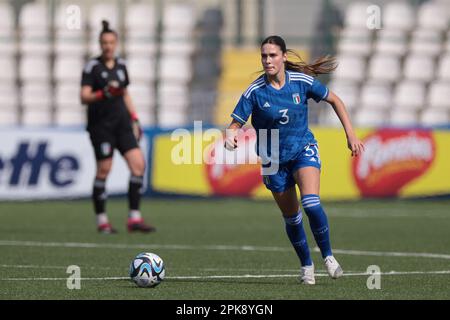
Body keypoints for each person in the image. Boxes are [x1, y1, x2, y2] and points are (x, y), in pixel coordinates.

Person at [225, 35, 364, 284]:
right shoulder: (255, 91)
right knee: (292, 217)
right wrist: (230, 136)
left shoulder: (300, 81)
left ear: (284, 56)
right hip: (272, 160)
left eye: (272, 55)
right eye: (264, 56)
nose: (268, 60)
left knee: (311, 203)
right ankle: (306, 265)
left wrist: (350, 134)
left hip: (302, 148)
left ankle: (329, 256)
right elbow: (234, 124)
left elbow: (335, 100)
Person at [80, 20, 155, 234]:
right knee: (104, 169)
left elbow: (125, 93)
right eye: (104, 42)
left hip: (122, 124)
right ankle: (102, 221)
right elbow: (84, 96)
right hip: (101, 127)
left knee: (138, 165)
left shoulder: (121, 66)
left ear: (116, 43)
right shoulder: (92, 67)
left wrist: (135, 118)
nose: (108, 46)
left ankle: (134, 219)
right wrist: (102, 94)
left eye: (111, 42)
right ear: (100, 43)